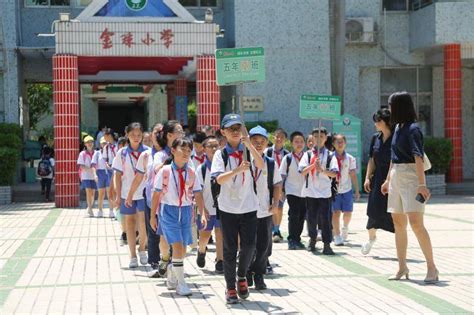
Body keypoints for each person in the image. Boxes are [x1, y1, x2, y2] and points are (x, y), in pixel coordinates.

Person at [381, 92, 438, 283]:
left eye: (390, 105)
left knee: (416, 223)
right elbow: (393, 156)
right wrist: (388, 179)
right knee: (398, 224)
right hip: (397, 175)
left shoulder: (414, 129)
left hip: (412, 177)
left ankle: (432, 268)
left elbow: (418, 157)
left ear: (398, 106)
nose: (388, 109)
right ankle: (402, 267)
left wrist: (422, 184)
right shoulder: (397, 127)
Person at [210, 113, 264, 304]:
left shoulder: (248, 150)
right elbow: (218, 179)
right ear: (223, 132)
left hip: (248, 205)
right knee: (230, 248)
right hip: (228, 208)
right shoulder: (220, 154)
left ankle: (242, 276)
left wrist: (249, 145)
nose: (235, 132)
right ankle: (230, 287)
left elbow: (261, 165)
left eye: (238, 128)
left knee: (249, 245)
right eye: (231, 128)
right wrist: (236, 170)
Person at [150, 138, 205, 296]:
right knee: (178, 246)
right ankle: (182, 284)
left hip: (186, 211)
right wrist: (153, 216)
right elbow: (156, 194)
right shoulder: (165, 171)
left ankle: (173, 270)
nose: (186, 154)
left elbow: (198, 193)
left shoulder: (192, 172)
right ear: (173, 151)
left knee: (183, 248)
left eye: (189, 151)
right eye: (183, 150)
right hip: (168, 210)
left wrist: (201, 212)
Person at [247, 126, 282, 290]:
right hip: (245, 210)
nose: (259, 144)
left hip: (264, 210)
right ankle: (246, 272)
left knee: (263, 245)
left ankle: (259, 274)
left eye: (262, 141)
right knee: (248, 245)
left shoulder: (270, 163)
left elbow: (277, 184)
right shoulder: (244, 161)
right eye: (255, 141)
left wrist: (276, 203)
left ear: (267, 143)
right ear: (248, 142)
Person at [112, 122, 148, 269]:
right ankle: (133, 255)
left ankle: (142, 249)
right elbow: (117, 176)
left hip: (144, 193)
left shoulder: (148, 152)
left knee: (143, 224)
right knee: (130, 225)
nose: (136, 137)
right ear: (127, 135)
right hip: (127, 193)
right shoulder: (122, 153)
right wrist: (118, 195)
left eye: (139, 135)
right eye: (133, 135)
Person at [153, 120, 186, 277]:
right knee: (165, 237)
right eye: (179, 131)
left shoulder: (186, 151)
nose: (182, 134)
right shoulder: (160, 154)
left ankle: (176, 267)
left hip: (184, 203)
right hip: (165, 202)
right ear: (169, 135)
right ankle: (165, 259)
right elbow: (156, 170)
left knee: (182, 239)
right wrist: (172, 160)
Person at [299, 127, 338, 255]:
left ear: (326, 138)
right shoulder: (308, 154)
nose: (319, 139)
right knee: (311, 218)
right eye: (316, 136)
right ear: (312, 138)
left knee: (325, 219)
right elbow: (302, 171)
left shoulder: (331, 155)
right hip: (310, 192)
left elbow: (334, 174)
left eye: (321, 136)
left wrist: (322, 169)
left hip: (325, 192)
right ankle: (312, 239)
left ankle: (327, 243)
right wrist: (312, 166)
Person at [361, 109, 395, 255]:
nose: (375, 123)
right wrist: (367, 177)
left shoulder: (396, 138)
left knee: (394, 214)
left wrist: (388, 180)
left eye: (377, 120)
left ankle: (400, 246)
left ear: (385, 122)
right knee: (373, 211)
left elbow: (395, 162)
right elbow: (371, 159)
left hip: (393, 180)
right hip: (377, 180)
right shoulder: (375, 138)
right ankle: (371, 238)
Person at [135, 123, 163, 277]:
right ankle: (154, 263)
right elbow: (139, 175)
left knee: (166, 231)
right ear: (151, 135)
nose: (158, 135)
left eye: (161, 132)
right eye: (155, 132)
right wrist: (129, 194)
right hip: (150, 197)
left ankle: (169, 262)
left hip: (168, 198)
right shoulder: (146, 154)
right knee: (152, 231)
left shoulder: (171, 152)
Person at [195, 136, 224, 274]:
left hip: (222, 208)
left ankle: (220, 260)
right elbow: (198, 192)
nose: (213, 149)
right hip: (206, 208)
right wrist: (202, 210)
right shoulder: (201, 169)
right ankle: (201, 251)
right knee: (205, 236)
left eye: (216, 145)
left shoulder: (224, 166)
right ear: (204, 149)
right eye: (210, 146)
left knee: (220, 234)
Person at [331, 134, 360, 246]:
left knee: (348, 213)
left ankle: (345, 227)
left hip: (347, 189)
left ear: (345, 143)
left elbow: (353, 175)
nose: (340, 144)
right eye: (337, 142)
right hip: (334, 190)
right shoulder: (330, 157)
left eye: (342, 141)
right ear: (333, 144)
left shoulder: (350, 158)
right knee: (336, 213)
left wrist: (357, 190)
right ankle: (337, 235)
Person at [280, 131, 306, 250]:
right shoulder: (288, 158)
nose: (299, 144)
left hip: (305, 191)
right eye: (296, 141)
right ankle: (291, 239)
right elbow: (282, 175)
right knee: (294, 214)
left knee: (302, 216)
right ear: (291, 143)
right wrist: (281, 190)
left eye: (301, 141)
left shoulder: (308, 156)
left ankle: (298, 239)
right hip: (292, 190)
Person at [265, 128, 289, 243]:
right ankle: (268, 229)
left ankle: (276, 230)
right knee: (267, 207)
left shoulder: (288, 155)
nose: (279, 139)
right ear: (273, 137)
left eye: (282, 137)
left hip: (281, 186)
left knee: (279, 208)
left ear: (285, 140)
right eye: (277, 136)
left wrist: (283, 189)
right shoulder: (267, 152)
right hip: (267, 185)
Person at [77, 135, 97, 217]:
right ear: (85, 144)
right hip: (85, 176)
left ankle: (90, 207)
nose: (90, 144)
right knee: (88, 192)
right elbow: (81, 166)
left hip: (94, 176)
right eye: (88, 142)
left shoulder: (96, 153)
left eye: (91, 142)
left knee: (93, 193)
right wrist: (90, 169)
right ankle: (90, 208)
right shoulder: (82, 154)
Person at [92, 137, 111, 218]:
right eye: (103, 143)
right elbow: (93, 165)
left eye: (106, 143)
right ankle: (100, 210)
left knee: (110, 193)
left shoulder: (110, 152)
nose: (104, 145)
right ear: (100, 144)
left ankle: (111, 210)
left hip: (109, 173)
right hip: (100, 173)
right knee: (101, 194)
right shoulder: (97, 153)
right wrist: (95, 175)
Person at [115, 137, 128, 245]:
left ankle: (134, 234)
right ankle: (124, 234)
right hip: (123, 190)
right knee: (122, 213)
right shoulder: (120, 155)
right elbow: (116, 176)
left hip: (133, 190)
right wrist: (116, 193)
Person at [103, 129, 117, 218]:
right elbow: (105, 159)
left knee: (118, 189)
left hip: (118, 169)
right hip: (110, 169)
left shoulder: (118, 145)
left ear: (109, 136)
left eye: (105, 136)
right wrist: (107, 165)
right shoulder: (106, 147)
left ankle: (117, 209)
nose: (104, 138)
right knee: (110, 190)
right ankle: (111, 209)